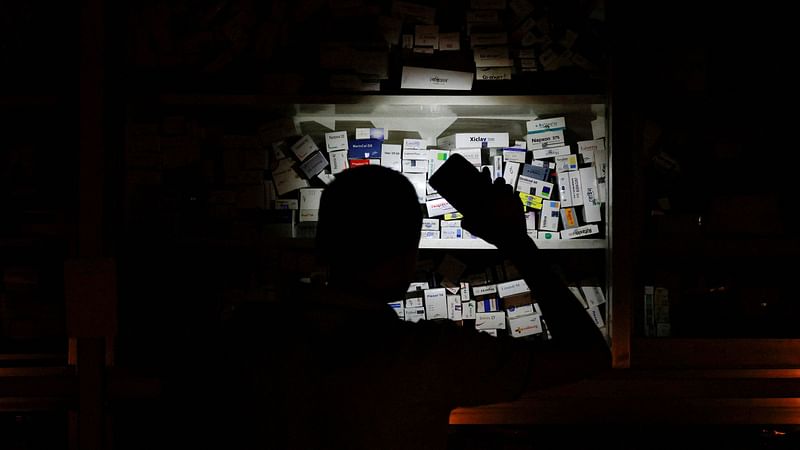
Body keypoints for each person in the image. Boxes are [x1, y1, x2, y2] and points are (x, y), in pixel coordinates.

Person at [216, 163, 610, 450]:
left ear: (321, 244)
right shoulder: (429, 354)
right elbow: (589, 355)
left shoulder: (247, 334)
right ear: (409, 255)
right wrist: (514, 241)